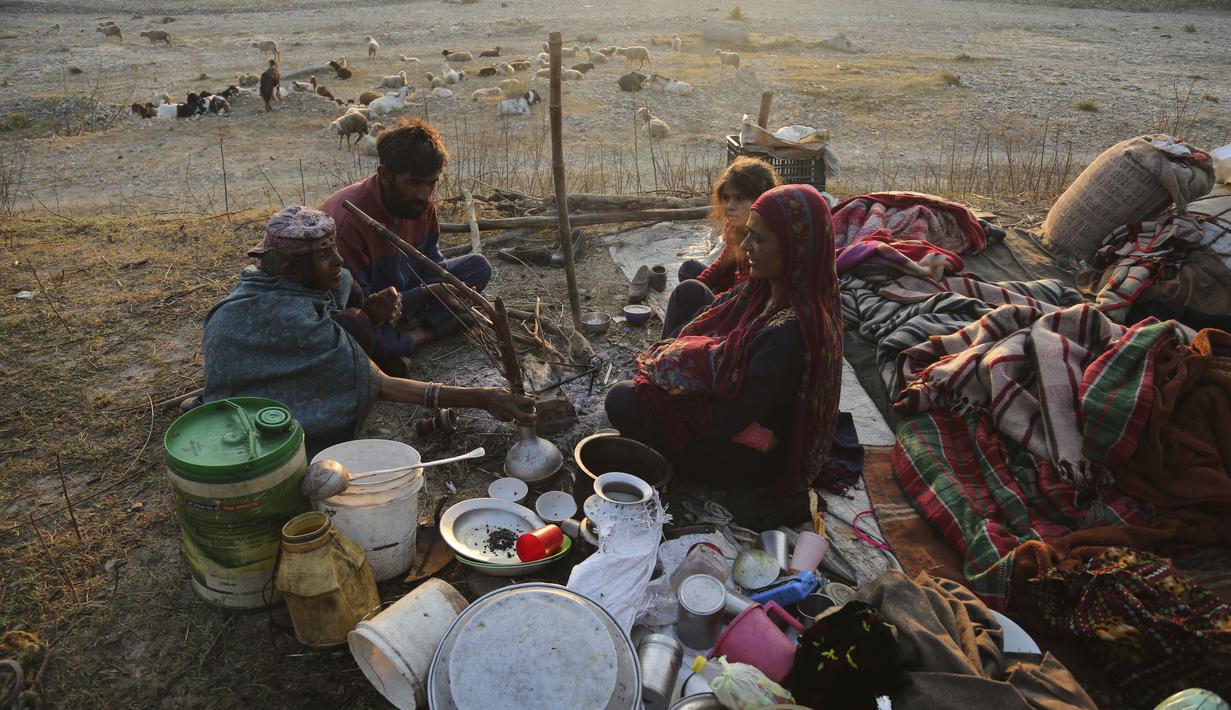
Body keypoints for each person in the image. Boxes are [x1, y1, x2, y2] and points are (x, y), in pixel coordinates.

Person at [202, 205, 533, 457]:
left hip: (312, 349)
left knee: (368, 313)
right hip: (253, 425)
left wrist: (376, 309)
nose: (338, 260)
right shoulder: (293, 320)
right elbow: (381, 385)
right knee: (300, 427)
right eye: (323, 255)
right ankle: (413, 336)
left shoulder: (289, 285)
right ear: (289, 268)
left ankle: (402, 335)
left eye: (333, 249)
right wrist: (481, 397)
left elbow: (351, 291)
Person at [605, 184, 843, 496]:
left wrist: (676, 377)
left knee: (621, 400)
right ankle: (655, 391)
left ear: (794, 247)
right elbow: (720, 311)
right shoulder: (771, 288)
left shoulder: (789, 335)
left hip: (749, 454)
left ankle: (659, 431)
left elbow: (723, 422)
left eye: (757, 238)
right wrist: (685, 359)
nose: (745, 246)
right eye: (748, 234)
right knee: (690, 292)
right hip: (739, 398)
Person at [321, 118, 492, 376]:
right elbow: (358, 303)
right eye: (414, 183)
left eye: (431, 183)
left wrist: (436, 290)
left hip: (408, 297)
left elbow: (431, 263)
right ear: (385, 175)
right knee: (356, 333)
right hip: (371, 305)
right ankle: (424, 333)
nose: (424, 194)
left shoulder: (420, 204)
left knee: (478, 268)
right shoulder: (348, 222)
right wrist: (427, 294)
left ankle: (402, 334)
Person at [665, 156, 781, 339]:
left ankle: (670, 343)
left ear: (761, 198)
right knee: (690, 270)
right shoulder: (736, 227)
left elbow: (745, 293)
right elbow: (725, 262)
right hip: (737, 288)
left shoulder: (765, 239)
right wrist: (703, 283)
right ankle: (679, 334)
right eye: (726, 198)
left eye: (739, 199)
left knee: (687, 291)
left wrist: (704, 309)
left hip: (748, 305)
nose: (729, 207)